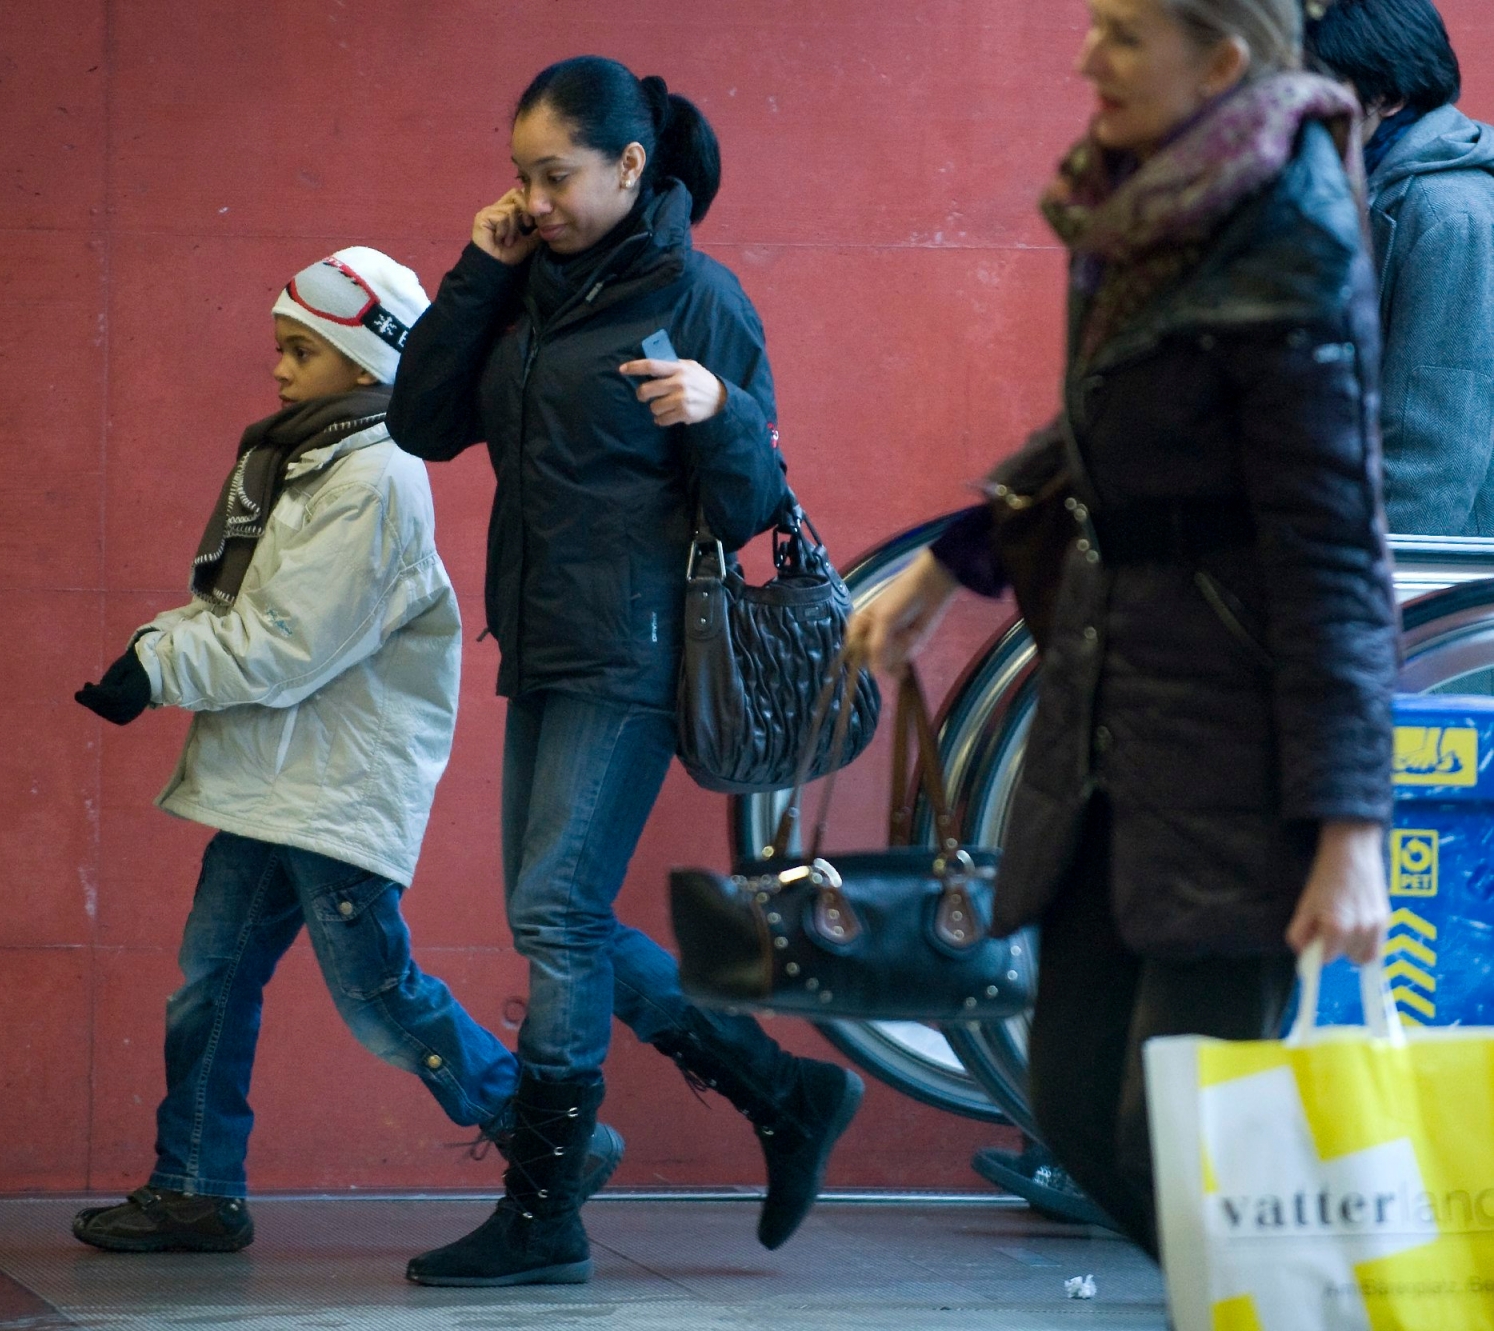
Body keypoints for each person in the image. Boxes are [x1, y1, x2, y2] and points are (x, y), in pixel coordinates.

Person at [849, 0, 1398, 1261]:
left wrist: (1347, 830)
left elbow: (1332, 553)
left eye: (1121, 32)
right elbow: (1102, 434)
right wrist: (952, 555)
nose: (1085, 56)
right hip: (1113, 720)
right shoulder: (1153, 211)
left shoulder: (1286, 234)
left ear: (1217, 62)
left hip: (1230, 748)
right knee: (1076, 1108)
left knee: (1189, 1140)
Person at [388, 57, 864, 1287]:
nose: (533, 197)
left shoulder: (697, 298)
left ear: (629, 166)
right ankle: (782, 1088)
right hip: (540, 641)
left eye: (555, 176)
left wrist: (718, 407)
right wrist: (480, 267)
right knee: (564, 915)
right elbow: (422, 421)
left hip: (642, 645)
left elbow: (750, 502)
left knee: (550, 913)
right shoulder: (523, 288)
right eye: (519, 176)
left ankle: (544, 1212)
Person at [66, 246, 621, 1255]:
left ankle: (546, 1139)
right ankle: (193, 1185)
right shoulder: (301, 455)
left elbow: (285, 640)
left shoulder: (373, 480)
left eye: (299, 349)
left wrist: (155, 663)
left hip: (327, 782)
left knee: (376, 996)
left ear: (367, 361)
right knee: (212, 977)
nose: (276, 367)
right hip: (272, 778)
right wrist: (164, 655)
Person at [1304, 0, 1494, 535]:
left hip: (1429, 581)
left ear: (1386, 98)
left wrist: (1367, 597)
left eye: (1316, 85)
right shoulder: (1359, 184)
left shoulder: (1449, 216)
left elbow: (1431, 456)